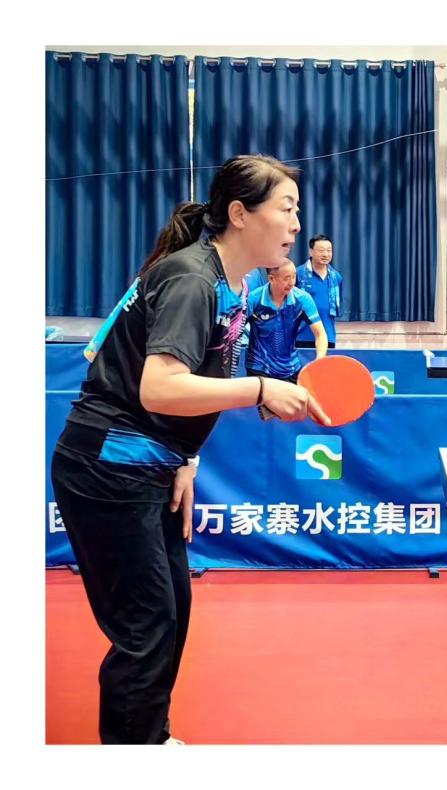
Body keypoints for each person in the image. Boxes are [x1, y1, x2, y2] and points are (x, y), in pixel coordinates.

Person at [51, 154, 328, 745]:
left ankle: (149, 738)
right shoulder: (193, 280)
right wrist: (260, 388)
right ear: (240, 214)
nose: (297, 225)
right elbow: (159, 386)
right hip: (108, 466)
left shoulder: (236, 285)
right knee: (146, 625)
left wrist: (187, 460)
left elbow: (202, 378)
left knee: (170, 611)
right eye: (286, 208)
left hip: (148, 464)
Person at [246, 261, 328, 383]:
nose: (291, 282)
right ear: (271, 279)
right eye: (286, 278)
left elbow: (320, 334)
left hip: (290, 368)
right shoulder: (254, 299)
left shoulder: (302, 299)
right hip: (259, 366)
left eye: (294, 276)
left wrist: (320, 358)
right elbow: (235, 331)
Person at [296, 234, 342, 348]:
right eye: (321, 250)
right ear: (311, 252)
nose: (325, 254)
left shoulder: (336, 277)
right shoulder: (297, 274)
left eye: (329, 250)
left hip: (328, 337)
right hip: (301, 337)